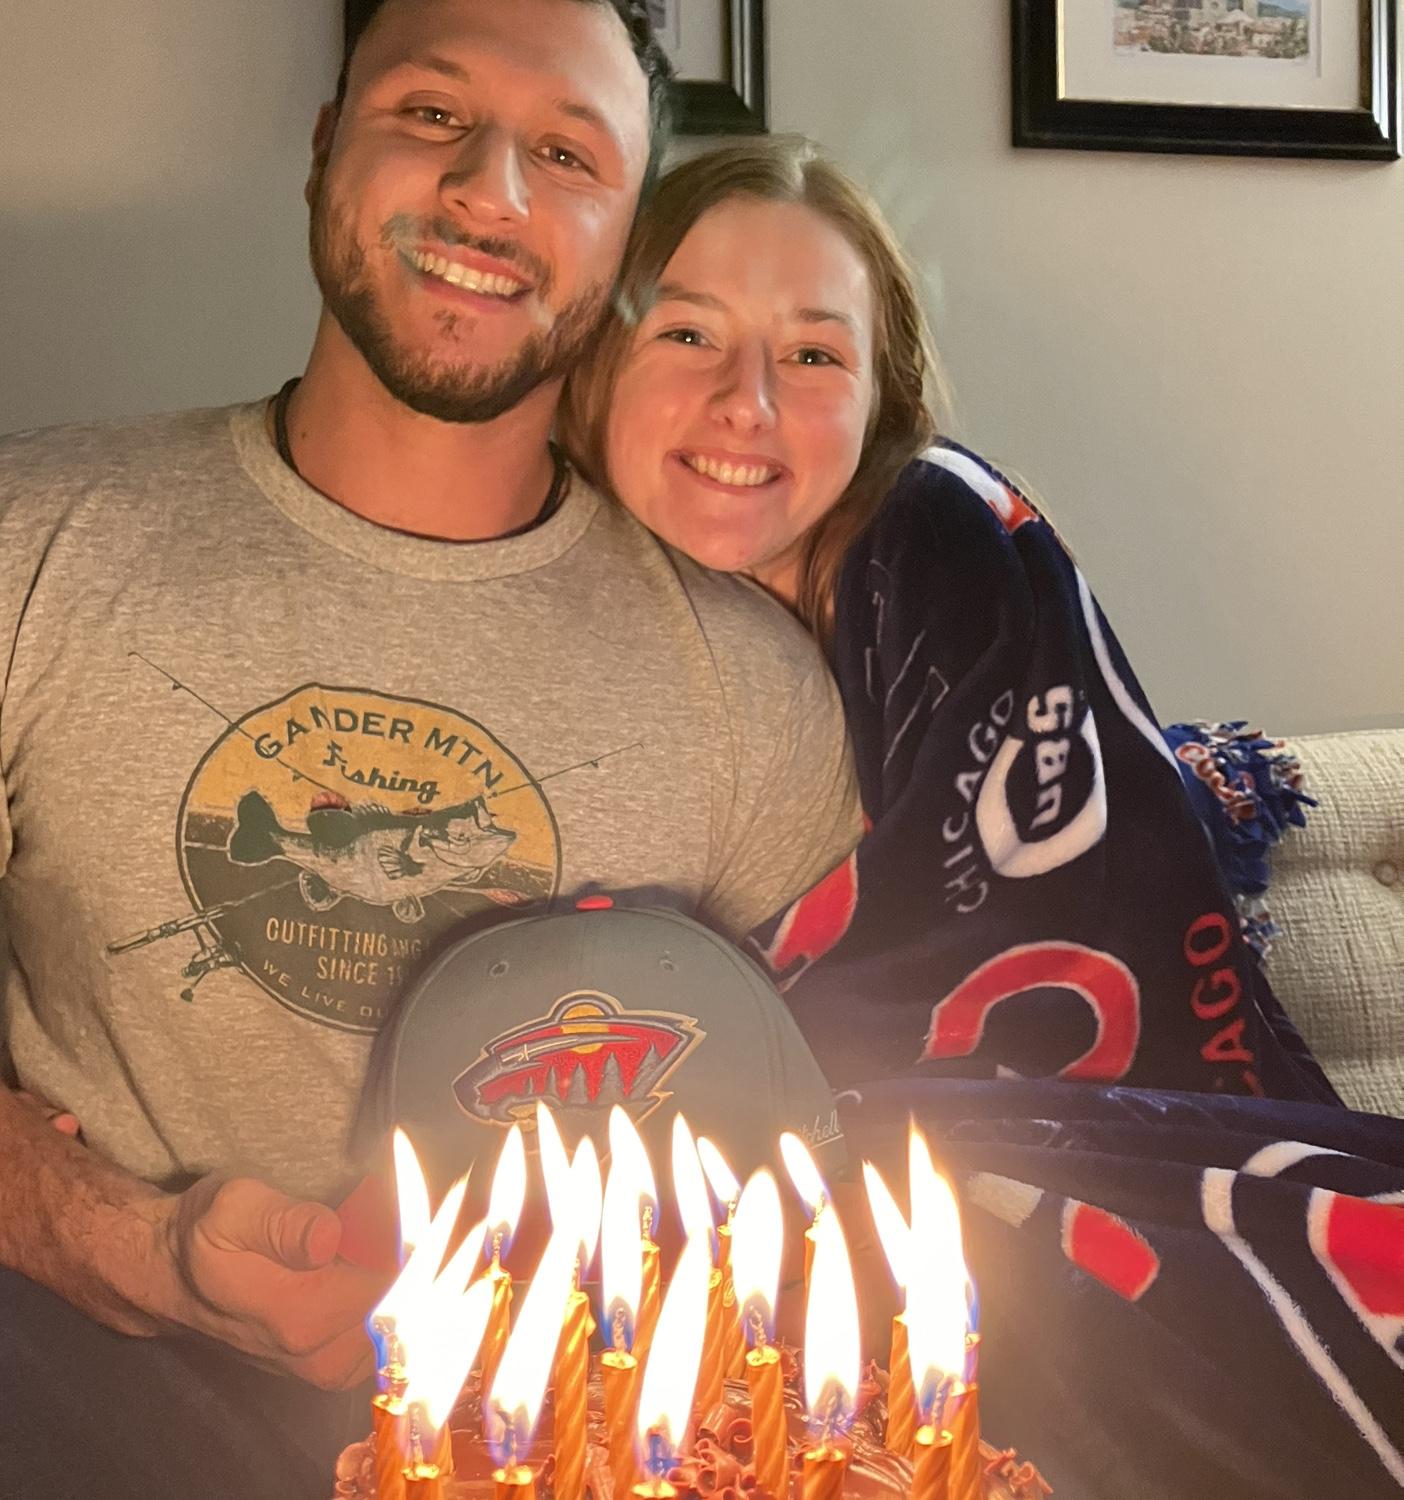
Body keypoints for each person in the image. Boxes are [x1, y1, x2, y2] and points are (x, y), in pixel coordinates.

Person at [0, 13, 861, 1498]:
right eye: (430, 113)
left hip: (574, 1427)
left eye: (566, 152)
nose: (491, 188)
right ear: (322, 151)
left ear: (624, 251)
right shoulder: (7, 542)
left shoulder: (752, 677)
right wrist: (136, 1248)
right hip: (93, 1367)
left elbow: (837, 1143)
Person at [563, 137, 1404, 1498]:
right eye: (689, 332)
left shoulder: (938, 528)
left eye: (816, 355)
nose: (747, 402)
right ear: (598, 359)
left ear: (885, 390)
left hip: (1064, 1118)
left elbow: (1002, 914)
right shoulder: (560, 601)